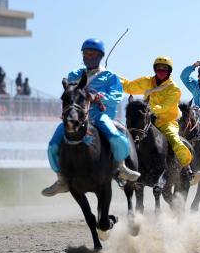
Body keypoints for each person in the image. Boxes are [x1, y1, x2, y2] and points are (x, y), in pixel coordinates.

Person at [41, 38, 140, 196]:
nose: (88, 56)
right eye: (86, 53)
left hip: (99, 116)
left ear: (100, 56)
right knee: (52, 146)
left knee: (117, 138)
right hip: (76, 117)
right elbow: (71, 91)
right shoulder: (74, 74)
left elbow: (116, 97)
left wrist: (99, 96)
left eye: (92, 53)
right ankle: (61, 179)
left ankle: (121, 167)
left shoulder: (110, 76)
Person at [120, 56, 200, 185]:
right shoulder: (147, 81)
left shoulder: (174, 89)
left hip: (167, 121)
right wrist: (111, 77)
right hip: (148, 119)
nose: (161, 71)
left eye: (164, 69)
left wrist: (151, 108)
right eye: (158, 68)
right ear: (154, 69)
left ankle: (188, 171)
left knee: (175, 141)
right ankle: (124, 171)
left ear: (169, 71)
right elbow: (129, 86)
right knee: (128, 136)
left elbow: (164, 107)